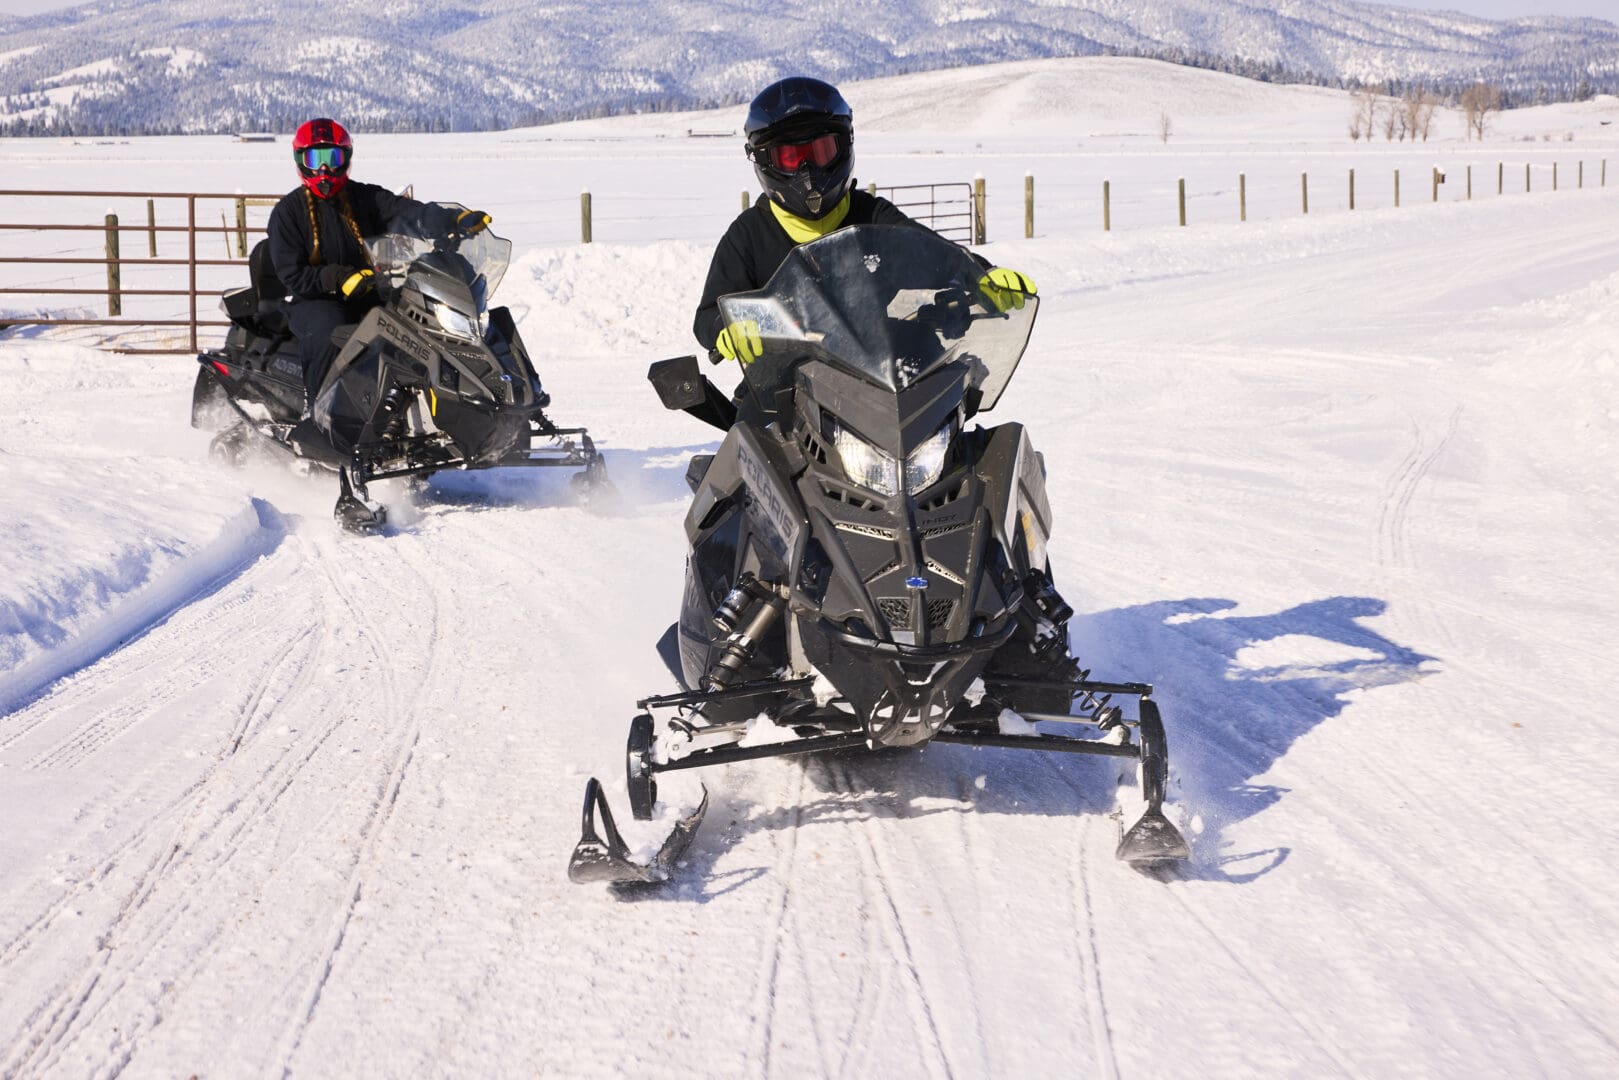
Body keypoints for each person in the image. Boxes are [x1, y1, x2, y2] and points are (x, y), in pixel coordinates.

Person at [693, 77, 1037, 366]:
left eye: (820, 152)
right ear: (765, 161)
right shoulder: (749, 235)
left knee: (957, 412)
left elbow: (933, 252)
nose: (807, 171)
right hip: (784, 383)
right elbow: (709, 313)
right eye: (791, 157)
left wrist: (982, 275)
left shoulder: (872, 217)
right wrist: (730, 327)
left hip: (877, 373)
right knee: (744, 439)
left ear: (844, 146)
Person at [266, 117, 491, 414]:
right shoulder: (288, 212)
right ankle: (317, 415)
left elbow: (407, 212)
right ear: (301, 160)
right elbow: (291, 274)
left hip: (369, 289)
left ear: (345, 159)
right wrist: (337, 279)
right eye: (315, 158)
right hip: (316, 299)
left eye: (332, 158)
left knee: (418, 321)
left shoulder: (364, 197)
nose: (324, 169)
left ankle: (453, 406)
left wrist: (451, 219)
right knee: (328, 331)